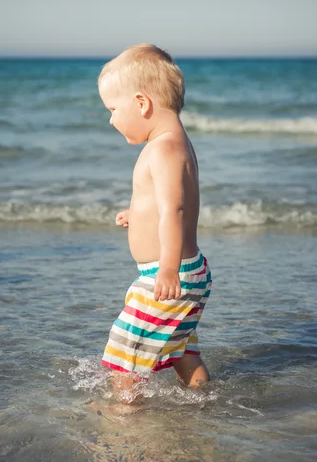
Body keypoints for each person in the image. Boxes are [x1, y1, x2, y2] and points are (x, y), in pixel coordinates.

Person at [98, 44, 212, 401]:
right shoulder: (177, 143)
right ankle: (204, 401)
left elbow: (174, 211)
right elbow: (174, 202)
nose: (111, 119)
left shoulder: (162, 148)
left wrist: (167, 270)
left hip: (166, 275)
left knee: (124, 353)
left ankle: (126, 417)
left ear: (142, 103)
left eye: (114, 109)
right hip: (190, 271)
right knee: (180, 348)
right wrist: (137, 214)